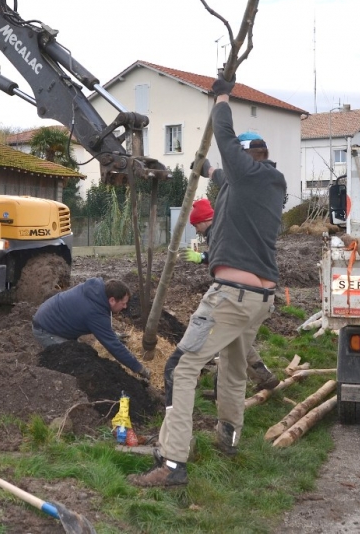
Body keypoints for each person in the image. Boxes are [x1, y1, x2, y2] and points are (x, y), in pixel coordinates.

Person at [129, 75, 286, 488]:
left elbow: (225, 134)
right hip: (259, 299)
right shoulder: (263, 184)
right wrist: (209, 170)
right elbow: (225, 176)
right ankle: (228, 441)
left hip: (232, 298)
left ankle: (173, 463)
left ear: (250, 158)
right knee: (233, 370)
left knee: (182, 367)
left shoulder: (251, 175)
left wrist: (221, 97)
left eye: (237, 161)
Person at [183, 198, 279, 393]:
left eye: (195, 225)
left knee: (229, 341)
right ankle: (264, 377)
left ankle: (226, 392)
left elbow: (225, 255)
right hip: (262, 295)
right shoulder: (227, 227)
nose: (196, 231)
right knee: (237, 340)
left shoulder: (218, 231)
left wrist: (202, 257)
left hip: (243, 295)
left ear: (203, 221)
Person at [32, 277, 151, 382]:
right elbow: (114, 346)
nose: (125, 306)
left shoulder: (96, 291)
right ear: (112, 300)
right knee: (74, 361)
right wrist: (139, 368)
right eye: (123, 303)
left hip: (52, 317)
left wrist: (112, 334)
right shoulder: (95, 312)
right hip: (46, 330)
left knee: (81, 352)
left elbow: (102, 325)